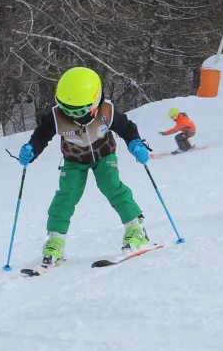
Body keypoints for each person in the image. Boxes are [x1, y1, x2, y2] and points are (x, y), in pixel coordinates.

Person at [17, 66, 151, 268]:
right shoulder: (56, 116)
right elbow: (41, 135)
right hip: (74, 160)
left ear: (95, 102)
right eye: (67, 111)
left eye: (80, 112)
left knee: (112, 186)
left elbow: (127, 128)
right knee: (66, 195)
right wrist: (31, 150)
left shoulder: (107, 111)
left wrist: (135, 143)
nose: (74, 117)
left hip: (104, 155)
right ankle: (55, 239)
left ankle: (135, 228)